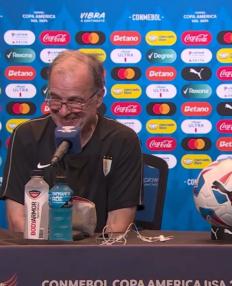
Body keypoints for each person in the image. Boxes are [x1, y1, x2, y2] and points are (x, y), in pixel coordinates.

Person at [0, 50, 142, 233]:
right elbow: (17, 221)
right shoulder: (26, 136)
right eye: (55, 100)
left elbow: (118, 226)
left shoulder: (122, 140)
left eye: (75, 101)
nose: (64, 111)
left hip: (100, 257)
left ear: (98, 97)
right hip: (39, 255)